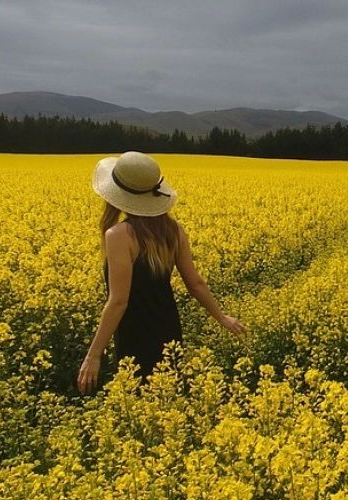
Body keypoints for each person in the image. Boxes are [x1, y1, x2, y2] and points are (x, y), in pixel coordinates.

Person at [77, 151, 246, 395]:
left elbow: (118, 301)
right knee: (167, 398)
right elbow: (196, 283)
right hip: (168, 327)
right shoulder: (173, 231)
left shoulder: (118, 236)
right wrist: (221, 317)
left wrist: (93, 355)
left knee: (137, 398)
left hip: (134, 332)